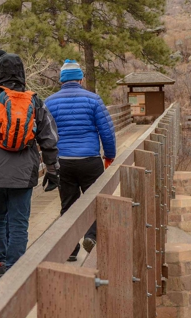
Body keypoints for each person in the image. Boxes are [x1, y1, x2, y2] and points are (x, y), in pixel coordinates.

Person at [0, 53, 59, 282]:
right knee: (19, 222)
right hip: (23, 172)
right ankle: (16, 268)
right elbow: (48, 137)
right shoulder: (35, 101)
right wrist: (52, 169)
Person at [45, 59, 116, 261]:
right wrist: (109, 155)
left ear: (62, 80)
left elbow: (45, 134)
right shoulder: (93, 100)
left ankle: (70, 249)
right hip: (90, 160)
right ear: (81, 79)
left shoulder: (49, 102)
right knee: (95, 201)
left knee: (68, 204)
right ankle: (91, 236)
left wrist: (49, 161)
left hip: (63, 161)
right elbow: (107, 132)